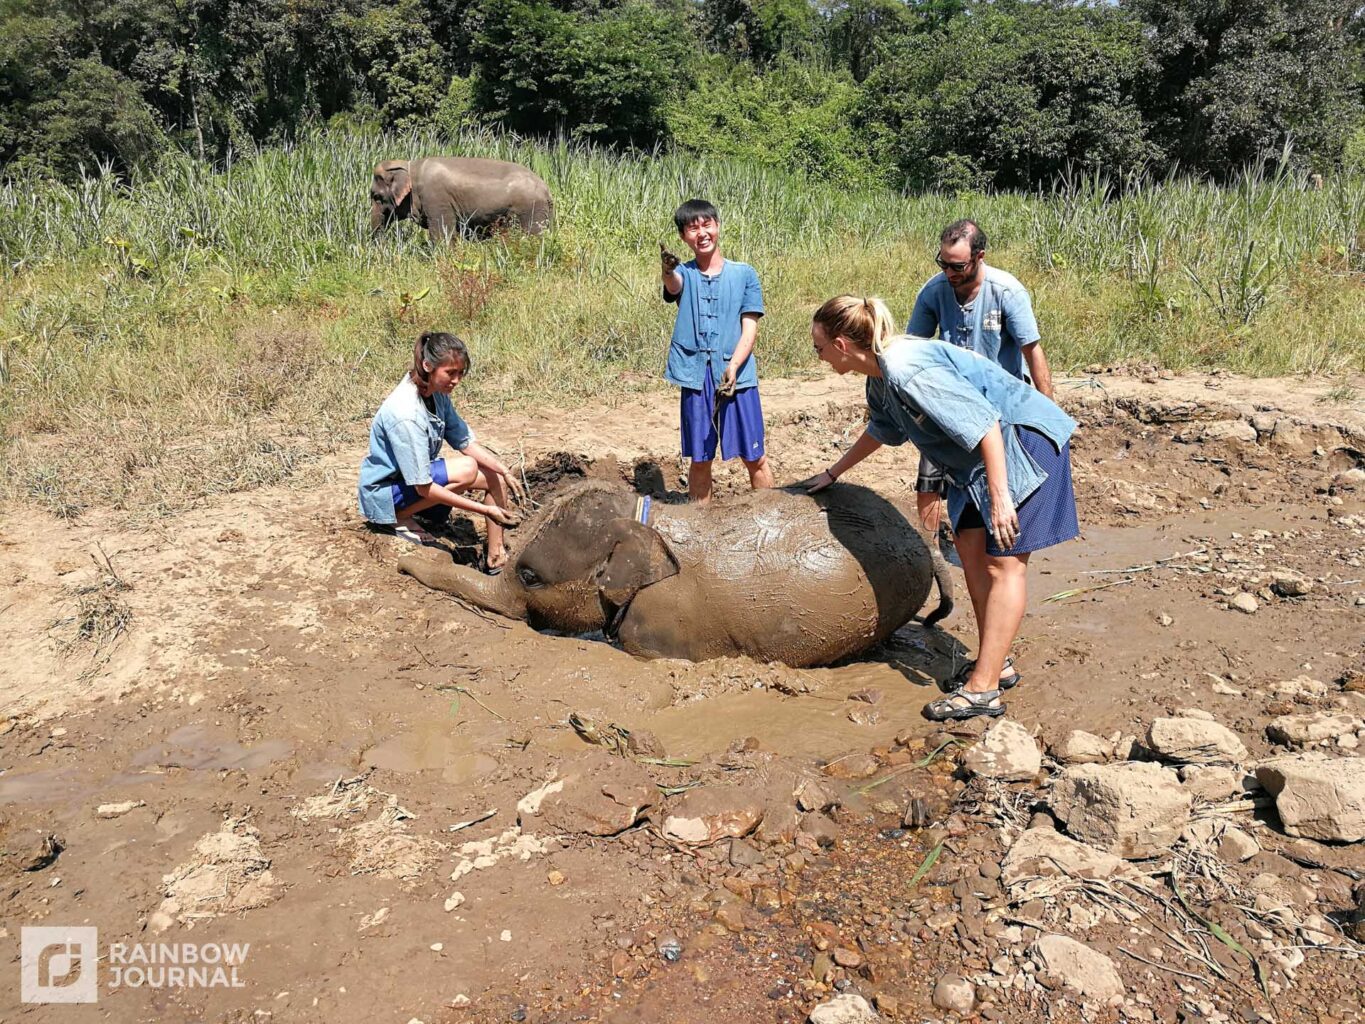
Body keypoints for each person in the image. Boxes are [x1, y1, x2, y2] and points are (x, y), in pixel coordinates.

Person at [804, 296, 1079, 722]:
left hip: (1021, 446)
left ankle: (983, 688)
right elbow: (882, 429)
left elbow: (985, 422)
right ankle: (996, 663)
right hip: (974, 463)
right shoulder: (878, 374)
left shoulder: (907, 367)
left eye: (819, 348)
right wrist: (832, 472)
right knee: (970, 551)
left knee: (1004, 563)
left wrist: (1001, 497)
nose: (819, 357)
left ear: (841, 344)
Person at [908, 218, 1054, 689]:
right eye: (944, 265)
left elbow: (1033, 355)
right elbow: (912, 348)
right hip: (950, 422)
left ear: (979, 258)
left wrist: (1046, 421)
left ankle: (992, 667)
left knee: (1003, 553)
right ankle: (995, 658)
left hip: (1003, 421)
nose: (950, 274)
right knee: (966, 546)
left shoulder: (1007, 293)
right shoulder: (934, 292)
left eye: (957, 266)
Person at [358, 331, 522, 572]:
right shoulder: (406, 414)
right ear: (428, 366)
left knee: (494, 478)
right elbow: (423, 486)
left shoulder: (436, 393)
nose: (456, 380)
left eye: (460, 373)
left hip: (410, 483)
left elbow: (464, 440)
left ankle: (496, 557)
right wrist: (485, 509)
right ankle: (398, 517)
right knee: (467, 468)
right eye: (450, 373)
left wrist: (503, 470)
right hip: (386, 495)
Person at [660, 198, 774, 504]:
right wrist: (667, 270)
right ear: (684, 237)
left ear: (717, 226)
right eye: (692, 228)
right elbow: (674, 286)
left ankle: (770, 519)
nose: (701, 233)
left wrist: (734, 366)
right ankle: (701, 530)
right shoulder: (684, 273)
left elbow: (750, 327)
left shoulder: (745, 274)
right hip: (696, 376)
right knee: (700, 458)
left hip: (738, 375)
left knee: (755, 456)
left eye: (706, 224)